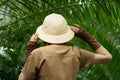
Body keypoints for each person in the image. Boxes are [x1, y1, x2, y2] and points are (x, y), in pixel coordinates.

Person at [18, 13, 112, 80]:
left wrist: (30, 50)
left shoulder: (37, 54)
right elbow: (107, 57)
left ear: (43, 37)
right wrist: (86, 36)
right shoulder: (76, 53)